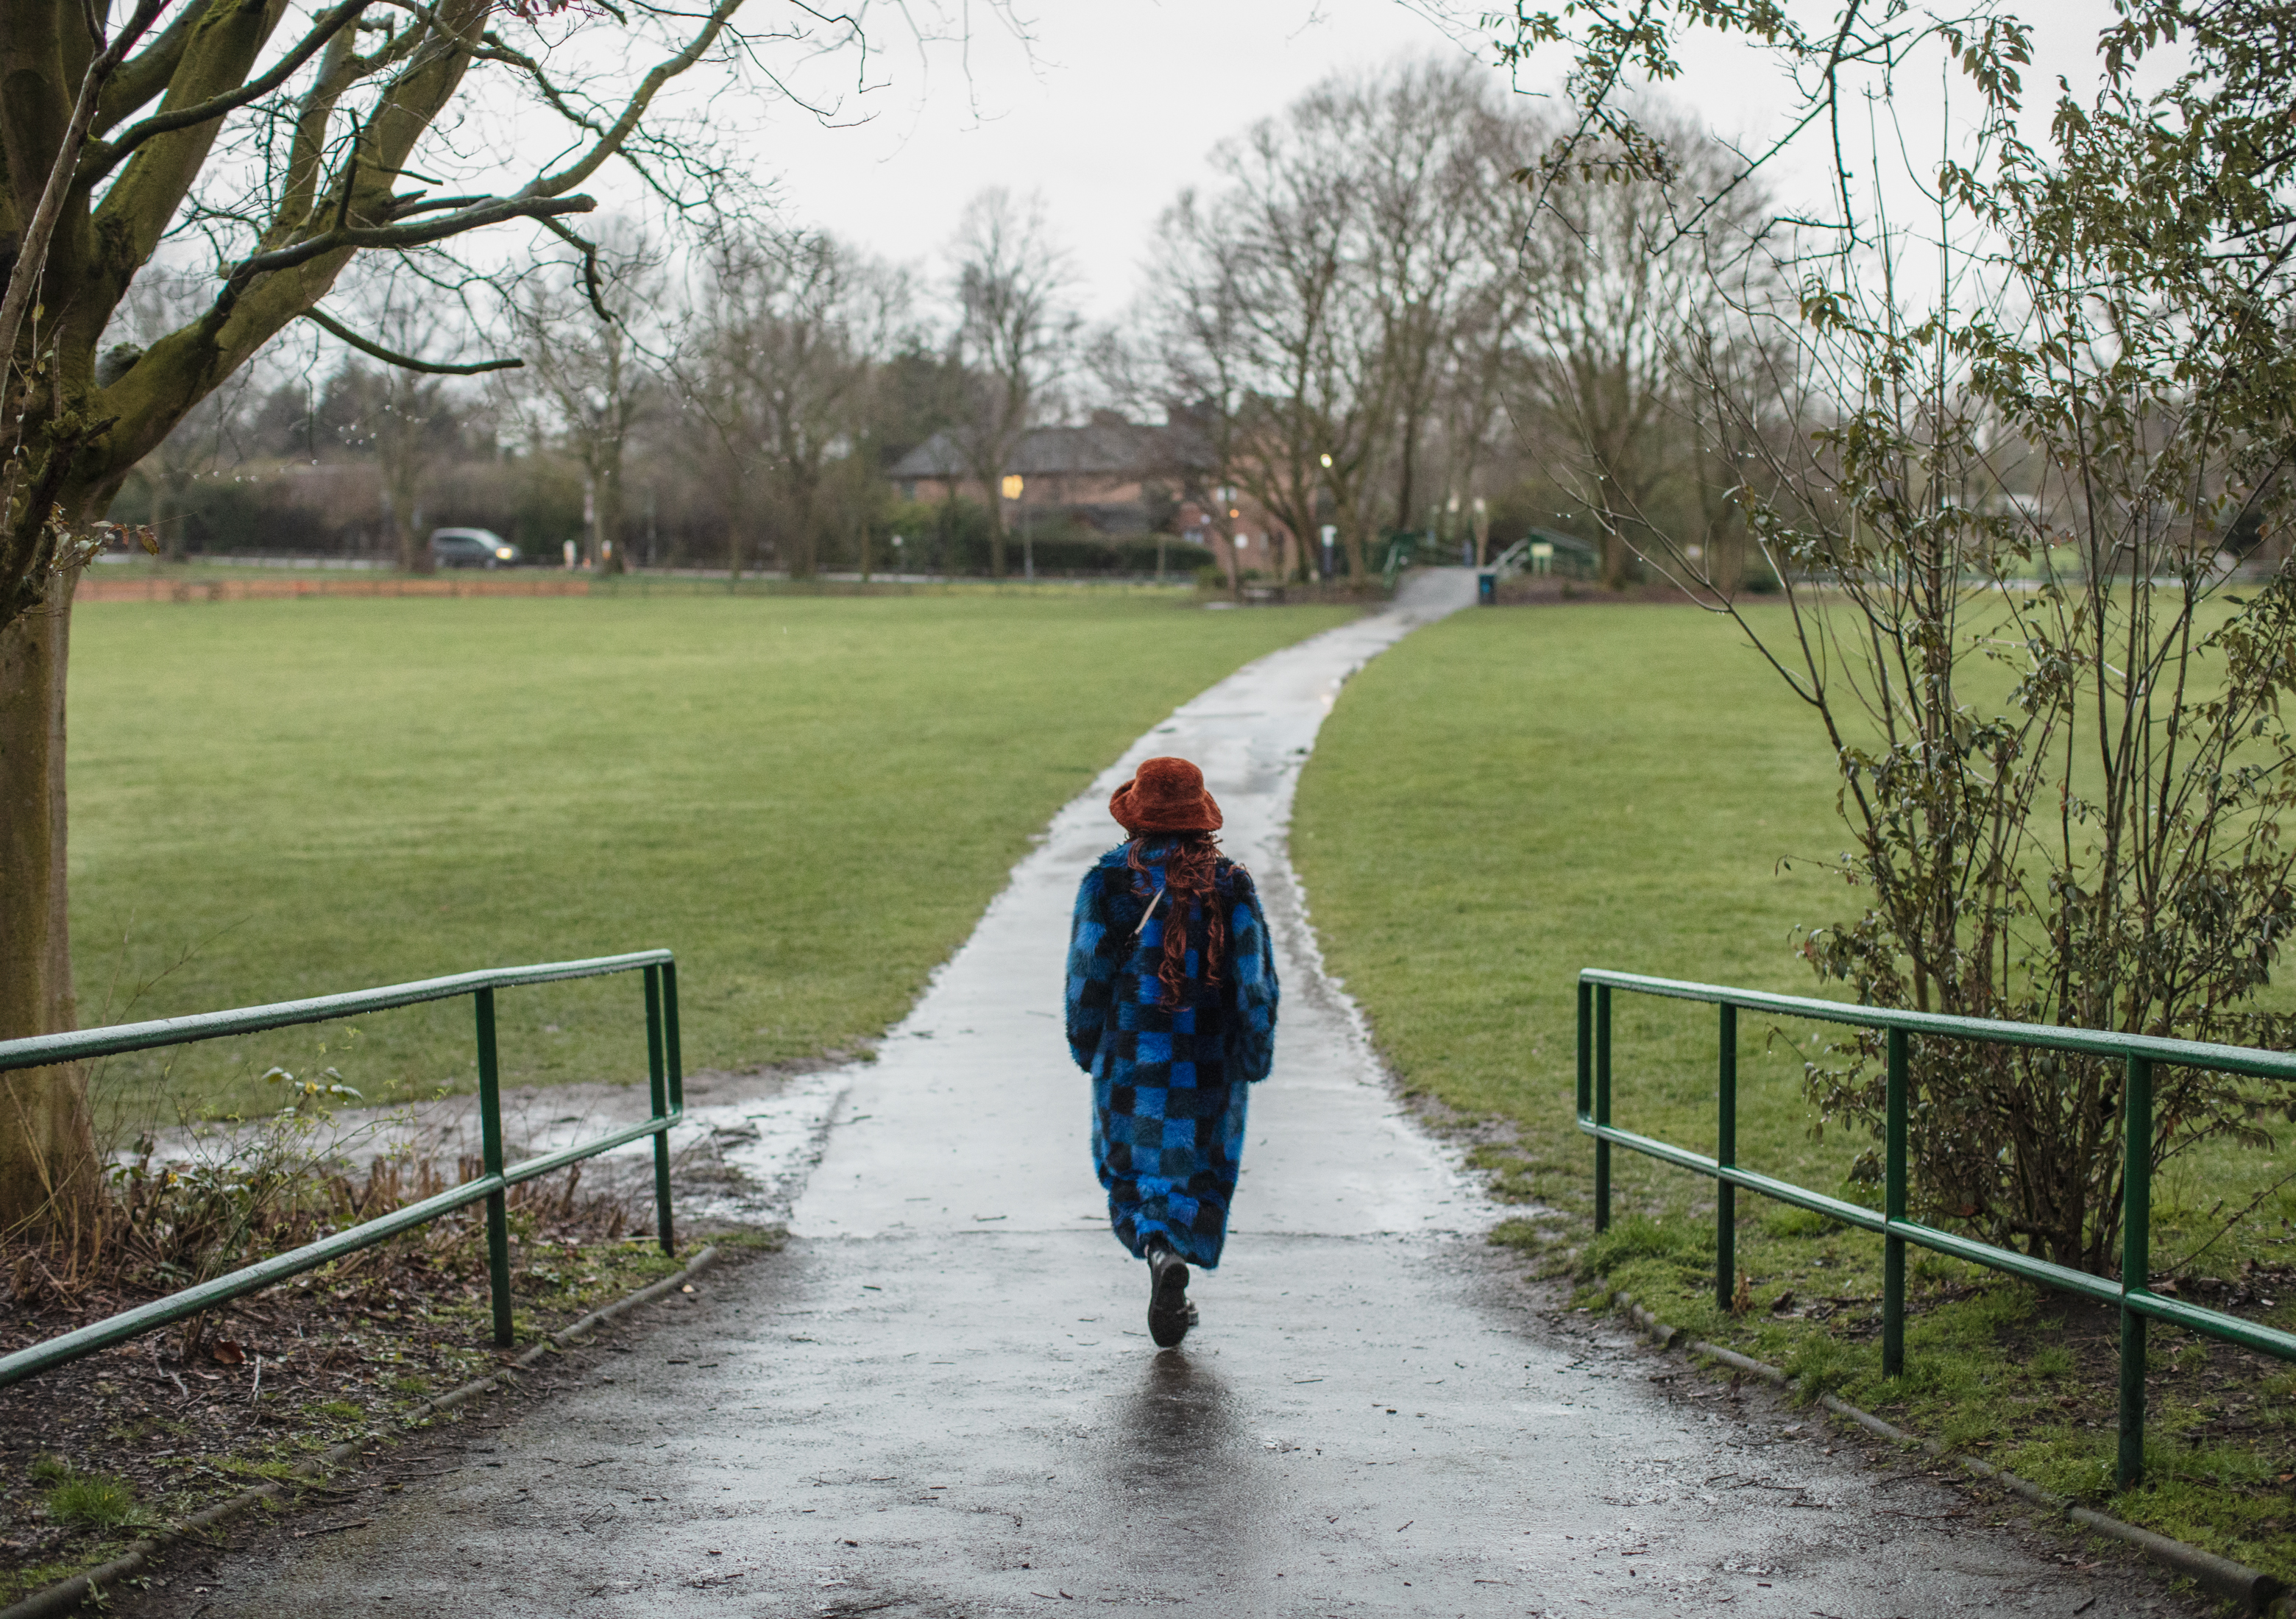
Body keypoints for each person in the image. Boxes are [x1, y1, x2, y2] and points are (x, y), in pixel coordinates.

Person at [1063, 756, 1279, 1347]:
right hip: (1207, 1063)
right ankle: (1177, 1257)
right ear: (1200, 819)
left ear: (1136, 819)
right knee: (1200, 1169)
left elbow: (1087, 975)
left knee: (1133, 1169)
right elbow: (1254, 980)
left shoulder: (1109, 882)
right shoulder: (1230, 883)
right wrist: (1254, 1052)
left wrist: (1087, 1046)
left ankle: (1158, 1254)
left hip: (1132, 1062)